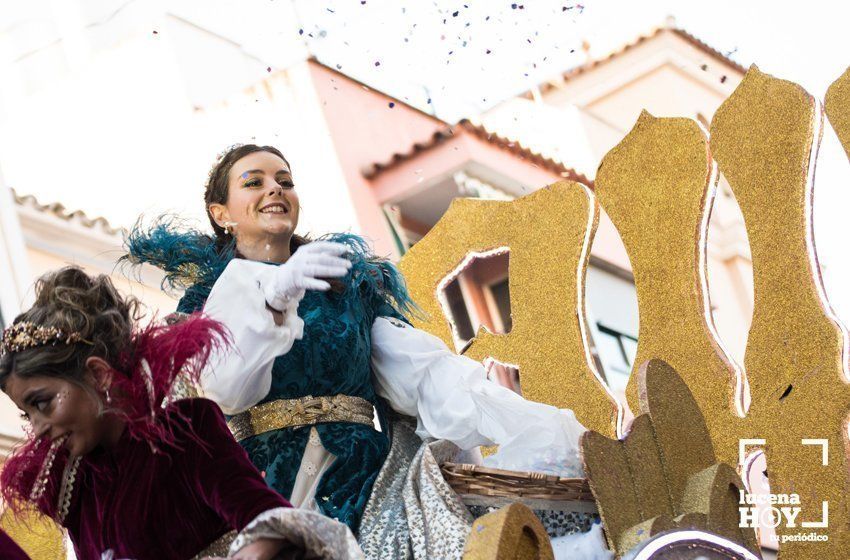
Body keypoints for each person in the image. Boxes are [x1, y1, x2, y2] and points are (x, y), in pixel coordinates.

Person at [125, 144, 597, 558]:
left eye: (285, 181)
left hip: (366, 479)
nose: (275, 189)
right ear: (221, 213)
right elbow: (224, 390)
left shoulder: (350, 289)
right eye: (254, 182)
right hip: (258, 491)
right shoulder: (201, 307)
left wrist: (548, 431)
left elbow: (430, 378)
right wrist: (272, 296)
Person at [0, 267, 361, 560]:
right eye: (26, 414)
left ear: (98, 374)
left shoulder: (184, 430)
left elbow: (267, 518)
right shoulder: (74, 486)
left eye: (42, 403)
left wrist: (252, 550)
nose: (38, 428)